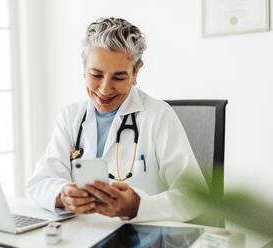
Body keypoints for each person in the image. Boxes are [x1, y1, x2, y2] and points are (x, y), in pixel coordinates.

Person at [27, 17, 207, 222]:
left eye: (119, 78)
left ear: (136, 71)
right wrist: (62, 195)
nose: (104, 89)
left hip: (141, 238)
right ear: (83, 66)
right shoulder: (71, 116)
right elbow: (40, 181)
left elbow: (195, 198)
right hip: (81, 235)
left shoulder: (158, 116)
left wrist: (137, 206)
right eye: (96, 75)